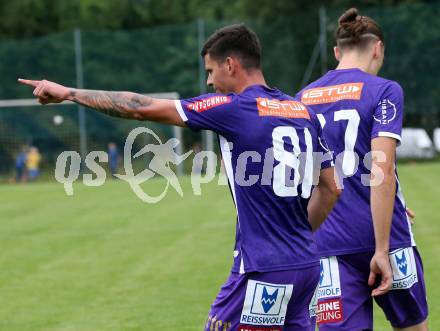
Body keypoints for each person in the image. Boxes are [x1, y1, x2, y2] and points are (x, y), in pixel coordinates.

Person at [19, 24, 340, 331]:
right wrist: (295, 236)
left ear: (230, 65)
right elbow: (331, 188)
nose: (210, 82)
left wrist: (70, 93)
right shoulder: (302, 112)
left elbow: (138, 108)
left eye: (210, 71)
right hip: (308, 266)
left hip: (261, 269)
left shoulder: (234, 108)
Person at [297, 9, 428, 331]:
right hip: (388, 241)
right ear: (378, 48)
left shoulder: (303, 99)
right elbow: (380, 172)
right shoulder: (385, 90)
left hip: (329, 245)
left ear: (337, 52)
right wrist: (381, 248)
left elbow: (304, 181)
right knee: (412, 326)